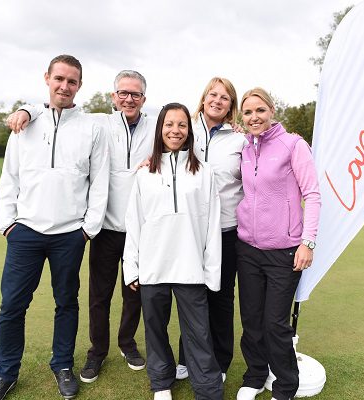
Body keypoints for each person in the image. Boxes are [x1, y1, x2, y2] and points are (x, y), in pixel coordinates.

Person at [7, 70, 155, 383]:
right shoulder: (96, 122)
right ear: (113, 97)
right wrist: (27, 109)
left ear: (144, 98)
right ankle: (97, 351)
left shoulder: (156, 126)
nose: (129, 98)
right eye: (123, 93)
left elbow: (184, 132)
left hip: (142, 230)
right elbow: (55, 109)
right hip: (105, 228)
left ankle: (127, 343)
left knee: (134, 294)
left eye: (136, 94)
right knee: (99, 295)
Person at [0, 54, 109, 400]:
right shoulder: (25, 125)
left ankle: (62, 365)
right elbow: (9, 177)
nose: (65, 86)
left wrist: (88, 229)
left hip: (70, 234)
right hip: (25, 232)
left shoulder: (91, 128)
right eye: (59, 79)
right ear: (47, 79)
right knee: (12, 306)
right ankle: (5, 373)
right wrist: (7, 224)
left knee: (66, 302)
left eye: (72, 81)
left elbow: (99, 182)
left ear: (79, 86)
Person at [123, 103, 224, 400]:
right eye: (169, 124)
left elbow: (212, 222)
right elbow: (135, 222)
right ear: (160, 129)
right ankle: (161, 383)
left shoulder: (204, 172)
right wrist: (132, 267)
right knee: (155, 330)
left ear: (189, 131)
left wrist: (211, 271)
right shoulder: (144, 174)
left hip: (191, 266)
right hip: (153, 267)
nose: (175, 130)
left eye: (181, 125)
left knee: (199, 334)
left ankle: (207, 390)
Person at [234, 88, 320, 400]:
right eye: (247, 113)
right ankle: (255, 375)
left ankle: (285, 386)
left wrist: (307, 242)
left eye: (260, 110)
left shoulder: (293, 145)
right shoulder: (243, 147)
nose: (254, 117)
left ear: (272, 111)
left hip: (285, 252)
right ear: (241, 118)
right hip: (248, 249)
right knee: (251, 322)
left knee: (275, 325)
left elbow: (312, 193)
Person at [176, 77, 246, 383]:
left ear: (231, 106)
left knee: (220, 297)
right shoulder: (184, 129)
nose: (218, 100)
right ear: (204, 98)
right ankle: (186, 358)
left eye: (225, 97)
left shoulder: (240, 140)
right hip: (189, 229)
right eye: (213, 95)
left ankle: (220, 361)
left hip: (227, 230)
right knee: (191, 295)